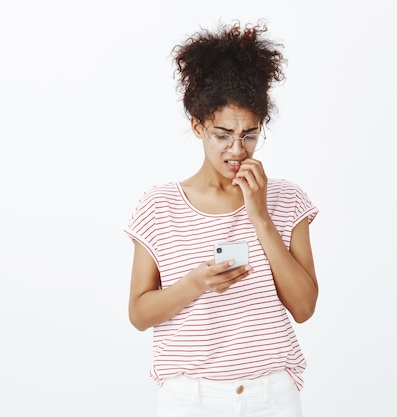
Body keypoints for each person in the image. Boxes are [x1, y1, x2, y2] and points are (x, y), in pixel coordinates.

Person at [124, 20, 319, 417]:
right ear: (197, 126)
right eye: (223, 134)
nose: (237, 149)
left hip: (272, 398)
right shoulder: (159, 206)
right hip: (188, 400)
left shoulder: (286, 200)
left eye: (250, 134)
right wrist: (194, 284)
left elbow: (303, 308)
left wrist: (261, 218)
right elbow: (139, 314)